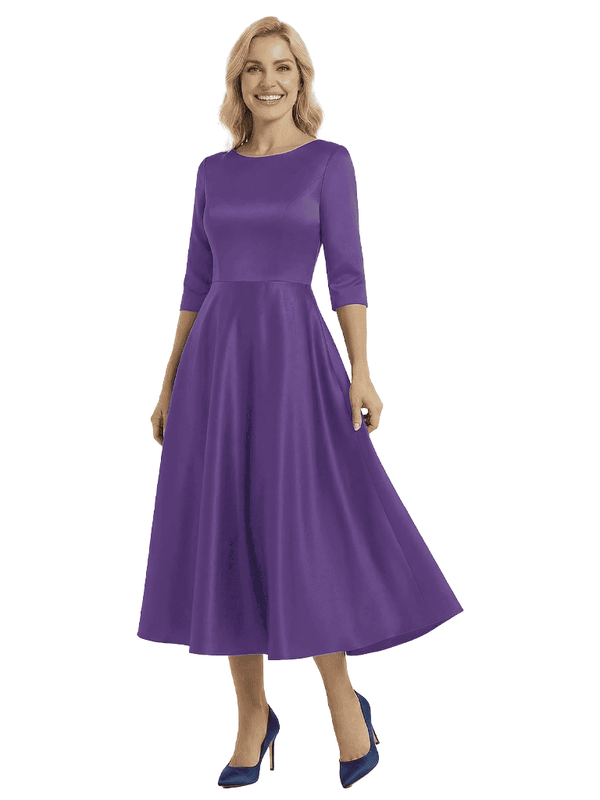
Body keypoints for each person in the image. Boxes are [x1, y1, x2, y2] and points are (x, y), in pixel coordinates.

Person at [137, 16, 463, 789]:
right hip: (217, 367)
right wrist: (169, 379)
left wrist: (362, 369)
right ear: (238, 81)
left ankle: (344, 704)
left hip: (292, 362)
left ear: (302, 79)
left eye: (283, 67)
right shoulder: (213, 173)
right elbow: (196, 280)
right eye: (254, 68)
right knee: (229, 531)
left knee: (300, 532)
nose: (269, 81)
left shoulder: (328, 163)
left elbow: (346, 271)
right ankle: (253, 717)